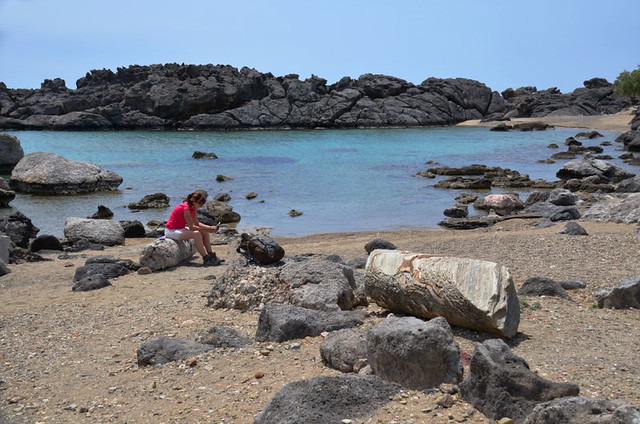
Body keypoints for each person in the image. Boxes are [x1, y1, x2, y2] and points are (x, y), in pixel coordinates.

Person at [164, 191, 221, 265]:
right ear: (194, 202)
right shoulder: (186, 209)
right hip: (171, 231)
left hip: (180, 229)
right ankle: (206, 258)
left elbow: (197, 223)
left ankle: (211, 254)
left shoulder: (193, 209)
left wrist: (209, 228)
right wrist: (207, 229)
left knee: (205, 232)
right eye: (200, 204)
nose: (201, 206)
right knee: (196, 234)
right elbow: (191, 227)